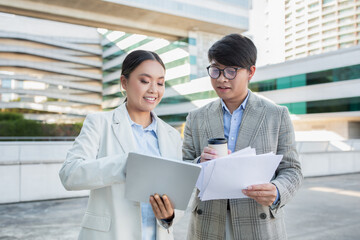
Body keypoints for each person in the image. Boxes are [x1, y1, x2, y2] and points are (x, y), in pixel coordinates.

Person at [183, 34, 303, 240]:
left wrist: (277, 190)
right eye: (215, 70)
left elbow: (292, 170)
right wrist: (199, 163)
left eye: (231, 70)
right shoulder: (196, 117)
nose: (221, 78)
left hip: (259, 222)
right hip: (207, 224)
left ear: (250, 72)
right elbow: (183, 166)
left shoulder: (276, 115)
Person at [59, 50, 182, 240]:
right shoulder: (99, 123)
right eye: (144, 81)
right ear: (124, 83)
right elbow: (69, 174)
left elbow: (177, 197)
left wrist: (169, 216)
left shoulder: (172, 136)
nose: (153, 90)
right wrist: (126, 164)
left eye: (160, 82)